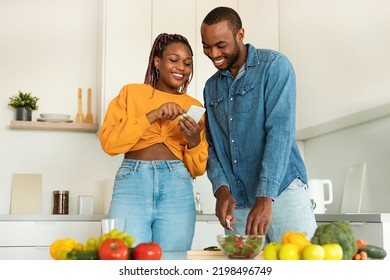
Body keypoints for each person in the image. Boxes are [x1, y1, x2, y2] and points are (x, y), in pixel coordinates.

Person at [200, 6, 317, 243]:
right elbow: (212, 145)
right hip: (239, 204)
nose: (213, 53)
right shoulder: (210, 87)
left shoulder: (274, 66)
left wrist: (265, 197)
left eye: (220, 45)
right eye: (206, 46)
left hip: (282, 194)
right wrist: (221, 189)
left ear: (240, 35)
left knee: (307, 269)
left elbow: (280, 132)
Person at [99, 33, 208, 251]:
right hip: (132, 183)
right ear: (157, 62)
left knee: (173, 261)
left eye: (187, 63)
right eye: (174, 60)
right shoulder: (131, 93)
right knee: (123, 257)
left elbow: (197, 169)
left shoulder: (194, 106)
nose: (182, 68)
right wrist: (153, 114)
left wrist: (194, 140)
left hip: (177, 184)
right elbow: (109, 143)